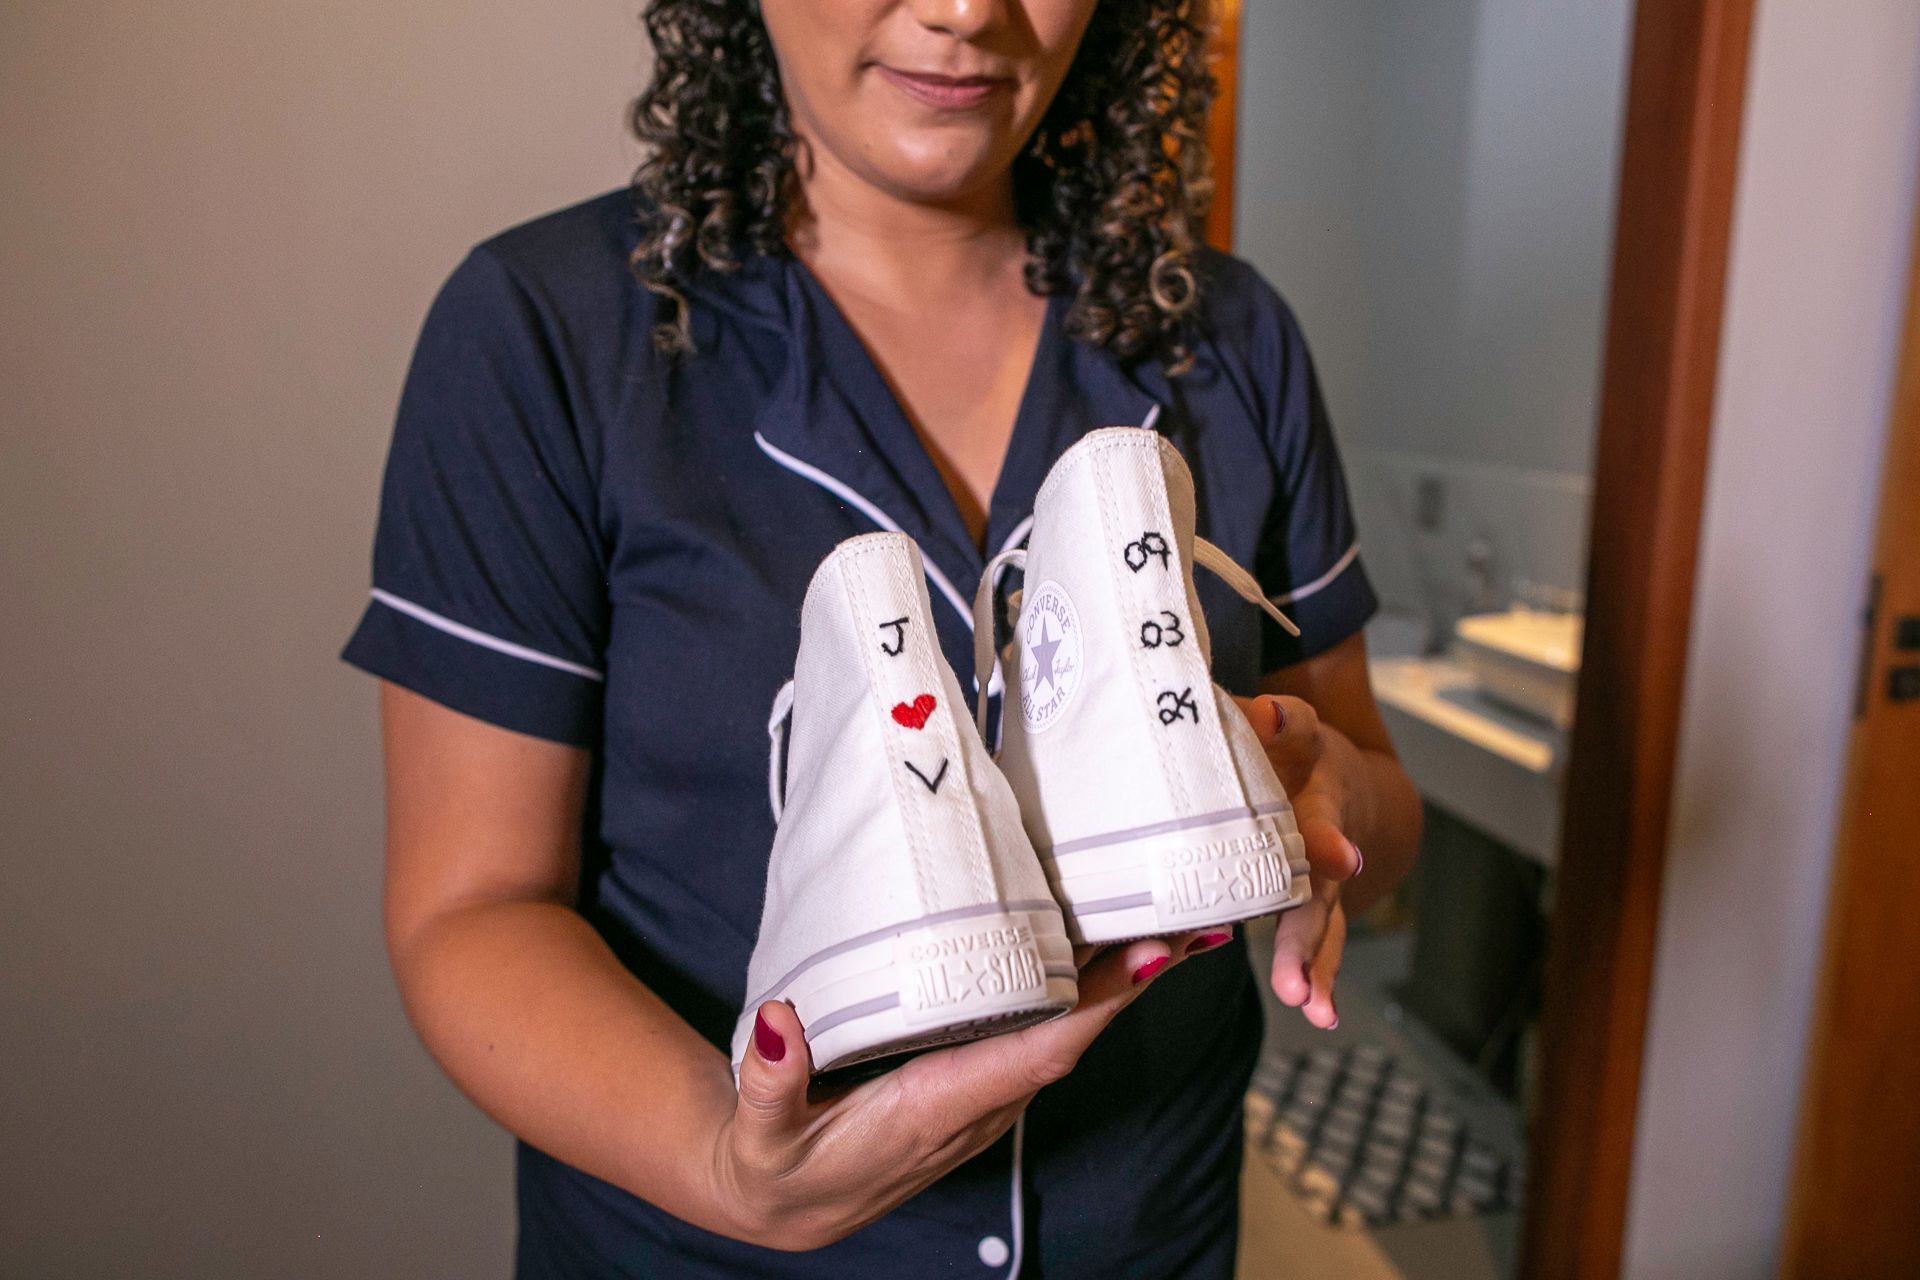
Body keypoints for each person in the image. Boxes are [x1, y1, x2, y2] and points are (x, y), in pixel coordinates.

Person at [342, 0, 1421, 1274]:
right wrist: (724, 1165)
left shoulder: (1230, 341)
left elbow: (1381, 807)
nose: (967, 10)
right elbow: (472, 908)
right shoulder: (547, 334)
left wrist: (1325, 801)